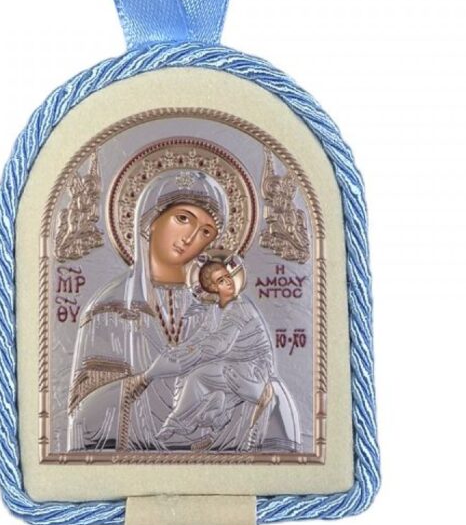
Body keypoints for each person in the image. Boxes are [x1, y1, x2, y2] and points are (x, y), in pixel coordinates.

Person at [66, 168, 228, 451]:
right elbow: (81, 417)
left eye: (205, 232)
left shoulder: (219, 309)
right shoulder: (110, 309)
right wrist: (147, 378)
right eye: (183, 219)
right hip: (127, 463)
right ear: (151, 220)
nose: (190, 237)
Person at [144, 254, 303, 453]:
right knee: (192, 377)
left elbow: (221, 345)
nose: (228, 282)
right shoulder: (216, 309)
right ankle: (187, 423)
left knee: (197, 377)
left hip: (252, 366)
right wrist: (182, 350)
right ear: (212, 288)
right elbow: (202, 335)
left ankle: (184, 423)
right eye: (221, 281)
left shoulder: (240, 307)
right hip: (232, 363)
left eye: (228, 277)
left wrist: (193, 353)